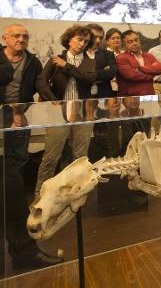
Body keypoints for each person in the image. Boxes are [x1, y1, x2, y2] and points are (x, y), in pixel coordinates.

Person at [0, 23, 63, 269]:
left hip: (16, 128)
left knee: (13, 184)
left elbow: (39, 86)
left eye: (25, 36)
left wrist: (56, 103)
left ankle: (24, 252)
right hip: (6, 122)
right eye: (16, 36)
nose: (21, 39)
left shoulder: (33, 62)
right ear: (4, 38)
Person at [35, 24, 97, 194]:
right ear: (69, 40)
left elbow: (87, 79)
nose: (82, 44)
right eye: (79, 39)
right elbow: (40, 81)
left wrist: (66, 66)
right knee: (51, 157)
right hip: (58, 113)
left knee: (80, 157)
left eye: (85, 41)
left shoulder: (90, 62)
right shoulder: (55, 59)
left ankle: (75, 193)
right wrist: (53, 100)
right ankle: (40, 195)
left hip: (83, 113)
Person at [116, 30, 161, 96]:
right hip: (130, 98)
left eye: (136, 40)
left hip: (149, 96)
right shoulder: (121, 58)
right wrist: (152, 72)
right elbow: (132, 75)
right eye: (130, 42)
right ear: (124, 45)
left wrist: (140, 69)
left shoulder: (148, 55)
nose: (135, 43)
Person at [86, 23, 117, 98]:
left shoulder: (108, 54)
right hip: (84, 95)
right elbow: (75, 74)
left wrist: (87, 74)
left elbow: (111, 73)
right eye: (95, 37)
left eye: (100, 37)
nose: (98, 40)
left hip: (104, 95)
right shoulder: (79, 54)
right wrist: (103, 71)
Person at [105, 27, 122, 93]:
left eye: (118, 38)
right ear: (107, 41)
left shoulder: (125, 53)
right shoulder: (103, 55)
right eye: (113, 38)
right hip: (110, 89)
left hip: (125, 88)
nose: (116, 40)